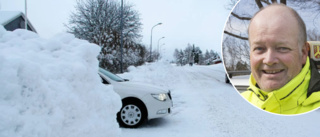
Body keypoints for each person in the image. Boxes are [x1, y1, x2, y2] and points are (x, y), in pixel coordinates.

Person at [241, 4, 320, 115]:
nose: (269, 60)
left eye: (282, 48)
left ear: (303, 53)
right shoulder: (239, 104)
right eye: (259, 48)